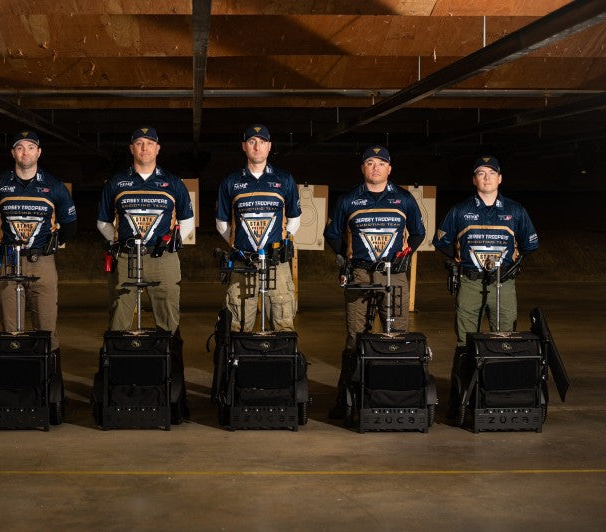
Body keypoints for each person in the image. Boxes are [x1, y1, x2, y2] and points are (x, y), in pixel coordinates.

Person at [324, 145, 425, 418]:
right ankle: (346, 399)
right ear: (363, 168)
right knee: (354, 337)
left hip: (394, 274)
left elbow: (418, 232)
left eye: (381, 163)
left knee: (397, 336)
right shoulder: (349, 200)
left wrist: (405, 256)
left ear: (389, 168)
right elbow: (332, 234)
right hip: (360, 274)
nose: (376, 167)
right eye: (370, 163)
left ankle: (397, 396)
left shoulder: (404, 199)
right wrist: (345, 260)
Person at [433, 155, 539, 364]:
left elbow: (530, 244)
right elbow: (441, 241)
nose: (487, 178)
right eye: (481, 173)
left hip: (504, 283)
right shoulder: (460, 210)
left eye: (492, 173)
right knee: (465, 342)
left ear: (500, 178)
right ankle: (466, 390)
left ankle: (499, 389)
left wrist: (514, 264)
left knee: (506, 340)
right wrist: (457, 259)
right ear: (474, 180)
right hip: (470, 283)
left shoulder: (515, 210)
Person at [0, 131, 77, 354]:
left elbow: (70, 224)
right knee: (10, 330)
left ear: (39, 152)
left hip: (42, 261)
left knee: (46, 328)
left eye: (31, 147)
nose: (25, 152)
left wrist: (49, 246)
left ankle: (50, 379)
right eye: (20, 147)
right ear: (13, 153)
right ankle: (15, 379)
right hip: (9, 260)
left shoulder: (54, 185)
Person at [97, 126, 195, 334]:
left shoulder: (173, 183)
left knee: (169, 316)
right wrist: (119, 243)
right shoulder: (116, 182)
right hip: (126, 258)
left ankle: (172, 366)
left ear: (158, 148)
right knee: (119, 315)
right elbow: (102, 221)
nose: (145, 148)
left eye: (150, 143)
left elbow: (187, 219)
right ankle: (116, 363)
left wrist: (171, 243)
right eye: (139, 143)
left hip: (163, 258)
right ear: (131, 148)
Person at [215, 124, 301, 332]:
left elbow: (295, 218)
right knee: (238, 323)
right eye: (252, 142)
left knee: (283, 322)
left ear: (269, 146)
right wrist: (238, 245)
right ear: (244, 146)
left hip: (277, 263)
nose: (257, 147)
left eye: (262, 142)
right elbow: (221, 223)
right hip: (242, 262)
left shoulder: (284, 179)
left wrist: (281, 244)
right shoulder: (231, 182)